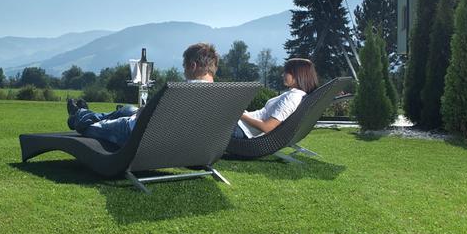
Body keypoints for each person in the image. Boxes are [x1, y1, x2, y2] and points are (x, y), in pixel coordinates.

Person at [65, 42, 219, 147]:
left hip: (136, 134)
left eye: (184, 66)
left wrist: (142, 112)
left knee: (88, 128)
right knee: (127, 109)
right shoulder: (222, 95)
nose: (184, 71)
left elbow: (144, 114)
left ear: (193, 66)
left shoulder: (180, 91)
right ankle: (86, 113)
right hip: (172, 142)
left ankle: (79, 116)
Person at [232, 57, 319, 139]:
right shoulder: (297, 95)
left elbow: (267, 127)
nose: (282, 75)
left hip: (241, 129)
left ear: (297, 75)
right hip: (240, 125)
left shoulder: (292, 98)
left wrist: (239, 115)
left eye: (286, 72)